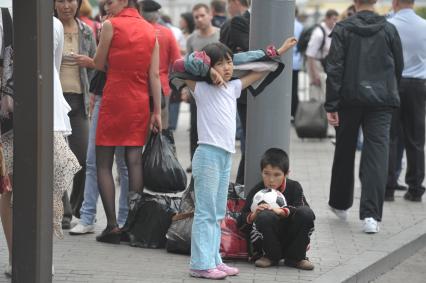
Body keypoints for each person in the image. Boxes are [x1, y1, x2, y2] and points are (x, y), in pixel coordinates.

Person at [182, 38, 296, 279]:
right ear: (210, 65)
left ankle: (214, 260)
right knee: (205, 212)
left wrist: (278, 52)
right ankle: (200, 264)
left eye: (230, 62)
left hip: (224, 156)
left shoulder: (232, 88)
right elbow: (179, 66)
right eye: (221, 63)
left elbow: (265, 68)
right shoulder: (200, 89)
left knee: (216, 213)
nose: (228, 67)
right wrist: (208, 69)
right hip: (207, 155)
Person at [325, 0, 403, 233]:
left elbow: (334, 67)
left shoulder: (342, 28)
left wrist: (331, 104)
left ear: (355, 2)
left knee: (344, 150)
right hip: (381, 101)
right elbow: (398, 66)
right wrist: (389, 90)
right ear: (376, 2)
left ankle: (340, 205)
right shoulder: (389, 29)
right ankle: (371, 216)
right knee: (377, 154)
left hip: (349, 100)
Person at [93, 0, 162, 244]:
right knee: (134, 161)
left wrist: (90, 56)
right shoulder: (150, 29)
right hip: (139, 101)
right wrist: (157, 112)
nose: (105, 6)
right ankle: (132, 226)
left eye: (109, 2)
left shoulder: (110, 26)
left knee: (103, 163)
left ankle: (112, 226)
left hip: (114, 98)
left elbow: (99, 64)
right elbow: (154, 75)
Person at [70, 6, 130, 235]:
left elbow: (109, 64)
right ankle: (88, 216)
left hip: (122, 99)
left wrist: (92, 61)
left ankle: (122, 218)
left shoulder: (128, 29)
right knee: (95, 162)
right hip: (103, 96)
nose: (106, 8)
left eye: (110, 2)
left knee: (121, 165)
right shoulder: (104, 25)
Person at [54, 0, 96, 227]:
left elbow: (97, 63)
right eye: (60, 0)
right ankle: (64, 213)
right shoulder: (48, 27)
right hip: (54, 101)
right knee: (58, 158)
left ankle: (77, 204)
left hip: (79, 101)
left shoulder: (87, 31)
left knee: (82, 158)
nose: (66, 5)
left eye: (71, 0)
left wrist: (89, 63)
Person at [238, 148, 315, 270]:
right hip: (267, 241)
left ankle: (296, 258)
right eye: (266, 174)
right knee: (264, 216)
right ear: (261, 172)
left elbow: (304, 210)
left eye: (277, 174)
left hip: (290, 238)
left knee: (306, 213)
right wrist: (253, 215)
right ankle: (269, 257)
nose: (271, 180)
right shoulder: (257, 192)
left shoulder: (294, 187)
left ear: (286, 173)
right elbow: (240, 223)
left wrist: (283, 211)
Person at [385, 0, 426, 202]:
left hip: (394, 83)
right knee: (416, 139)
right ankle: (416, 188)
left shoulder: (390, 25)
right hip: (419, 86)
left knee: (390, 137)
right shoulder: (424, 25)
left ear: (395, 3)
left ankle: (388, 187)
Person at [185, 3, 220, 173]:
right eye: (196, 17)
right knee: (195, 128)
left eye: (202, 15)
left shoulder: (219, 35)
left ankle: (215, 162)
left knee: (215, 127)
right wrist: (186, 89)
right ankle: (195, 161)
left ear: (210, 15)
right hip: (197, 91)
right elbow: (186, 65)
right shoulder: (192, 39)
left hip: (217, 90)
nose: (199, 19)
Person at [220, 0, 250, 185]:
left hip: (243, 89)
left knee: (247, 138)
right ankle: (242, 184)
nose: (226, 6)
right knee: (248, 138)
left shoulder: (239, 21)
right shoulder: (237, 22)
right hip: (244, 89)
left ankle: (242, 183)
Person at [140, 0, 181, 131]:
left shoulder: (137, 31)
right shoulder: (167, 33)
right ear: (157, 14)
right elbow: (177, 61)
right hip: (162, 88)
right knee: (160, 128)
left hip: (138, 85)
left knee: (138, 129)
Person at [305, 9, 338, 102]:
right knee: (316, 92)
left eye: (336, 20)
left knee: (324, 93)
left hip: (324, 63)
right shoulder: (318, 33)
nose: (335, 22)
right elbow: (310, 55)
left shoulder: (331, 31)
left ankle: (322, 113)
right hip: (315, 64)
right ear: (327, 19)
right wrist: (314, 74)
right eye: (333, 19)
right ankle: (315, 115)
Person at [292, 7, 303, 119]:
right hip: (296, 60)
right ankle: (294, 113)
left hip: (284, 59)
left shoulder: (284, 25)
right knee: (294, 88)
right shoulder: (300, 26)